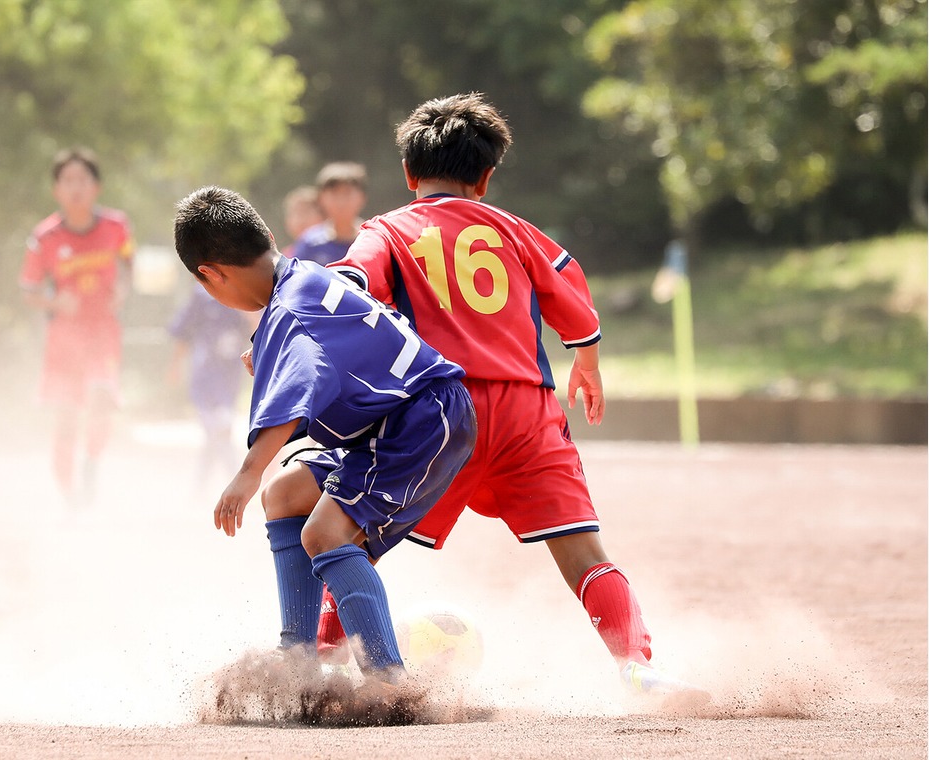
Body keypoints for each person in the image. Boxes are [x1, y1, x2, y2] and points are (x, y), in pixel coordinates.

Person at [273, 93, 705, 699]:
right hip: (528, 409)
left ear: (408, 174)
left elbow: (350, 282)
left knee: (355, 539)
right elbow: (574, 301)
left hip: (443, 411)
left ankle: (321, 666)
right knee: (584, 551)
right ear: (485, 177)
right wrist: (588, 363)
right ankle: (638, 664)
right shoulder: (516, 229)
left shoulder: (389, 230)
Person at [172, 186, 476, 692]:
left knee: (323, 533)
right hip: (399, 414)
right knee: (285, 495)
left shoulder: (286, 315)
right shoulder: (303, 274)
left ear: (211, 275)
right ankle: (298, 658)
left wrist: (248, 473)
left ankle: (390, 681)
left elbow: (301, 377)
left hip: (420, 420)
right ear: (268, 237)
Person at [19, 147, 134, 505]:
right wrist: (55, 302)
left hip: (103, 332)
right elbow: (28, 290)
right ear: (56, 190)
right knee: (67, 418)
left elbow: (129, 262)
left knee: (101, 399)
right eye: (67, 180)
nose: (75, 188)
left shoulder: (116, 226)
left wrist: (124, 289)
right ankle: (70, 499)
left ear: (96, 186)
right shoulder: (45, 237)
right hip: (64, 338)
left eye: (82, 179)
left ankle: (91, 466)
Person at [166, 282, 251, 493]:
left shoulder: (244, 289)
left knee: (217, 433)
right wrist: (175, 366)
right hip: (204, 377)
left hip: (229, 378)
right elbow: (182, 331)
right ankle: (238, 482)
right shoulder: (201, 293)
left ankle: (202, 487)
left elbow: (255, 329)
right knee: (218, 431)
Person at [286, 162, 367, 266]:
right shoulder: (310, 243)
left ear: (362, 197)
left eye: (347, 193)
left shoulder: (372, 238)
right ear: (321, 198)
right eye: (334, 194)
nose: (341, 202)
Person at [280, 185, 324, 257]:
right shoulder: (285, 257)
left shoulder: (334, 247)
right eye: (294, 213)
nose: (300, 220)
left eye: (306, 212)